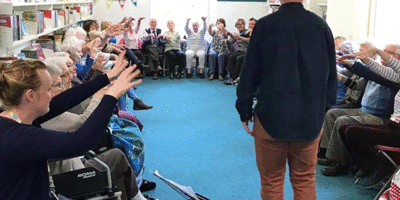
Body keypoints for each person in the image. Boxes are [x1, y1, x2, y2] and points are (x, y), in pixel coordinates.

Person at [0, 50, 142, 199]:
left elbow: (65, 100)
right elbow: (81, 141)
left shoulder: (13, 118)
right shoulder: (18, 137)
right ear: (30, 95)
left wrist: (107, 77)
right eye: (49, 89)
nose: (52, 94)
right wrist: (111, 95)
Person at [235, 0, 337, 199]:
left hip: (271, 116)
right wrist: (322, 110)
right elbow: (331, 75)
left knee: (271, 180)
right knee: (305, 179)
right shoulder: (321, 26)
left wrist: (244, 109)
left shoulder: (264, 25)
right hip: (310, 118)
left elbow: (249, 73)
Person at [225, 18, 250, 85]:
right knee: (230, 56)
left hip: (246, 51)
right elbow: (231, 41)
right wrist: (228, 38)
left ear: (244, 25)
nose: (238, 26)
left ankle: (235, 77)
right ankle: (231, 77)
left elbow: (250, 40)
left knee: (239, 58)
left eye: (240, 24)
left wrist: (239, 37)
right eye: (237, 25)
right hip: (239, 51)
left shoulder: (247, 32)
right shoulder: (238, 33)